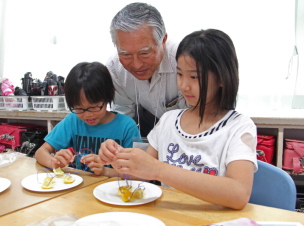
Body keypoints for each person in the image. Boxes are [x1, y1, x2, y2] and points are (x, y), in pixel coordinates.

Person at [99, 29, 258, 210]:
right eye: (180, 74)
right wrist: (118, 158)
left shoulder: (238, 127)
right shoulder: (168, 121)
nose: (183, 85)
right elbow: (140, 174)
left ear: (222, 77)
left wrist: (158, 169)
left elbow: (238, 194)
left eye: (194, 77)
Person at [35, 62, 140, 176]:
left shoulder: (126, 126)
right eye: (79, 108)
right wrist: (54, 162)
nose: (87, 115)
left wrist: (105, 171)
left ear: (108, 96)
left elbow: (139, 174)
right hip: (82, 189)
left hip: (116, 191)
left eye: (94, 107)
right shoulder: (73, 120)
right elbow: (40, 152)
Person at [106, 2, 188, 137]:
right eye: (126, 54)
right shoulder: (115, 67)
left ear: (163, 41)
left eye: (144, 53)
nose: (137, 65)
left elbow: (196, 116)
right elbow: (123, 113)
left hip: (185, 128)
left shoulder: (182, 60)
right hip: (145, 122)